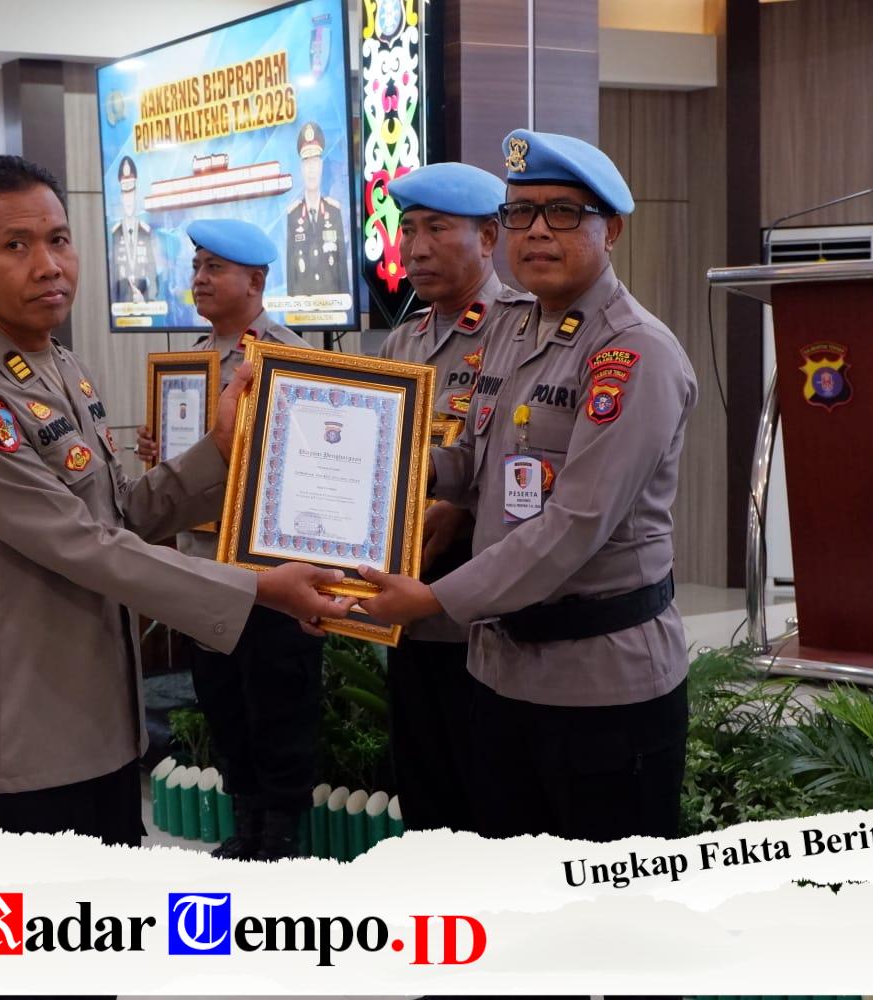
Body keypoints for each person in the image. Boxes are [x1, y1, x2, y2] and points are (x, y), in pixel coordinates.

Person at [0, 155, 345, 855]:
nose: (49, 265)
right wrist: (260, 590)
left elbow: (121, 515)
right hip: (19, 746)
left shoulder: (61, 370)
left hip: (100, 730)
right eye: (16, 245)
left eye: (58, 239)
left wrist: (219, 449)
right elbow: (84, 546)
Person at [358, 129, 697, 845]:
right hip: (502, 675)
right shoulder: (518, 333)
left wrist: (435, 600)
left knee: (600, 904)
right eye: (521, 213)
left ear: (612, 230)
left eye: (564, 213)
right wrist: (383, 468)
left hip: (598, 688)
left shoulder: (632, 352)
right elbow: (472, 460)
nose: (538, 230)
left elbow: (574, 523)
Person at [137, 218, 324, 860]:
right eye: (197, 266)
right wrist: (160, 449)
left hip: (271, 571)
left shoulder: (289, 356)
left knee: (279, 709)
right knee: (223, 706)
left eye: (215, 267)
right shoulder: (190, 362)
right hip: (202, 565)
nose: (200, 278)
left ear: (256, 280)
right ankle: (246, 829)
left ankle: (283, 841)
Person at [375, 161, 533, 833]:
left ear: (489, 238)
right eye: (408, 229)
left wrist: (465, 509)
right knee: (425, 798)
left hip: (484, 621)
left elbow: (535, 462)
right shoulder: (402, 340)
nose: (415, 248)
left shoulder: (521, 330)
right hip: (403, 609)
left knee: (488, 805)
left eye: (437, 228)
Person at [285, 121, 350, 298]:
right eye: (307, 163)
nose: (311, 170)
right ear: (301, 168)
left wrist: (346, 306)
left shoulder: (334, 211)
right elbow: (291, 275)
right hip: (302, 308)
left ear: (321, 166)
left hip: (332, 306)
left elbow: (341, 269)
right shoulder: (293, 215)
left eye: (315, 162)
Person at [109, 155, 159, 304]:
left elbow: (152, 270)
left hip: (144, 300)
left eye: (131, 191)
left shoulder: (145, 231)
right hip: (121, 302)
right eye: (125, 192)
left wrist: (149, 300)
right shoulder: (115, 232)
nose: (128, 199)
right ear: (120, 196)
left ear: (136, 193)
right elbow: (113, 272)